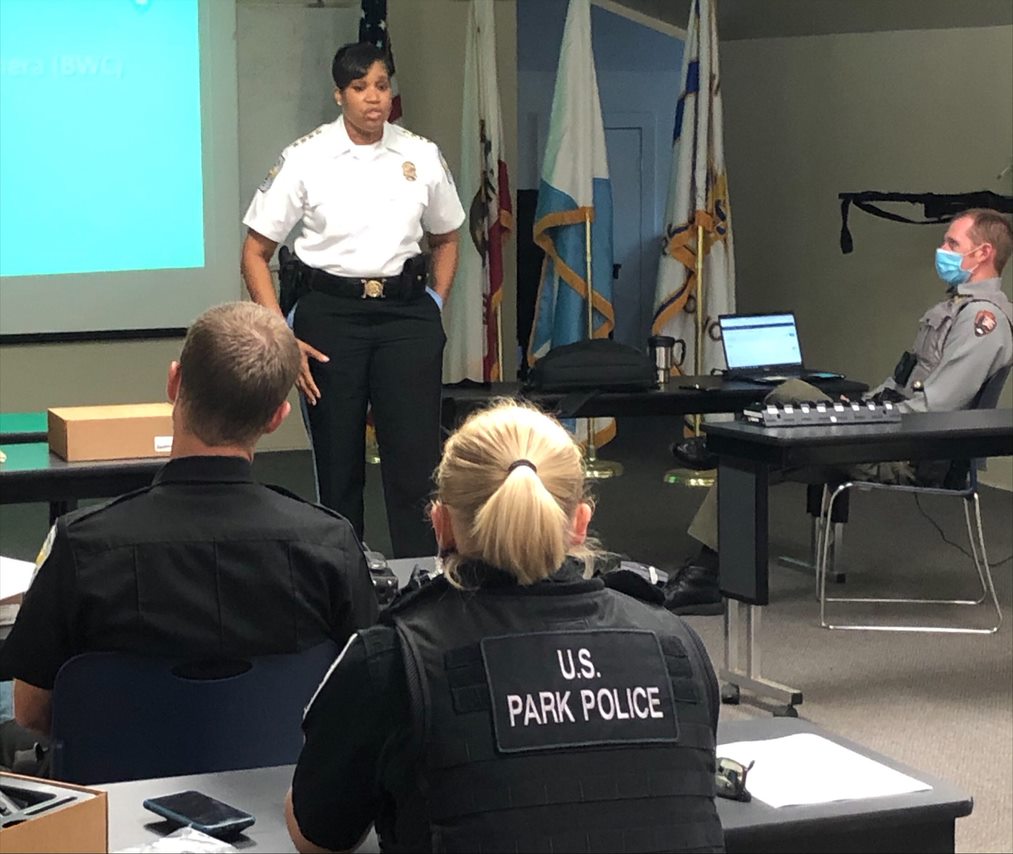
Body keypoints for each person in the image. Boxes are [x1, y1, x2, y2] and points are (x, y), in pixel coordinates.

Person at [284, 401, 725, 854]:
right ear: (579, 525)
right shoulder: (678, 646)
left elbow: (316, 836)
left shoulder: (393, 660)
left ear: (441, 526)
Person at [0, 302, 379, 746]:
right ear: (277, 417)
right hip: (281, 795)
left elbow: (30, 711)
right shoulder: (332, 546)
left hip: (116, 800)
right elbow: (363, 698)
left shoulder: (81, 547)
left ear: (174, 382)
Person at [665, 208, 1013, 615]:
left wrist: (861, 420)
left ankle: (713, 492)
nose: (942, 251)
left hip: (908, 450)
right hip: (886, 428)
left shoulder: (984, 322)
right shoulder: (955, 308)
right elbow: (901, 383)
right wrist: (863, 406)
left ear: (983, 253)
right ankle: (706, 562)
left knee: (757, 444)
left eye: (952, 244)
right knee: (783, 406)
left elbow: (934, 407)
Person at [241, 41, 465, 559]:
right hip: (329, 317)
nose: (374, 98)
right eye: (360, 87)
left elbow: (448, 237)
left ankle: (423, 577)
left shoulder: (420, 154)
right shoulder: (306, 157)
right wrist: (280, 335)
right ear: (339, 94)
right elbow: (255, 252)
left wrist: (434, 302)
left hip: (406, 314)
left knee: (415, 465)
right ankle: (342, 580)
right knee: (338, 467)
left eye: (382, 86)